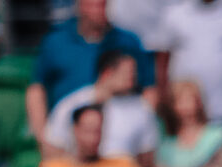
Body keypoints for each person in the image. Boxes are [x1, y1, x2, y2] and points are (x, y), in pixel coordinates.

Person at [29, 0, 156, 141]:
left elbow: (149, 89)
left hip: (119, 141)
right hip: (68, 140)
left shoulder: (128, 42)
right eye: (93, 5)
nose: (99, 10)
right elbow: (36, 90)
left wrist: (142, 132)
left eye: (103, 4)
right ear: (79, 5)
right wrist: (43, 138)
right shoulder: (55, 41)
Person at [153, 78, 222, 167]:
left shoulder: (218, 134)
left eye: (189, 99)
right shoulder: (166, 147)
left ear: (199, 101)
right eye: (180, 100)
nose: (186, 105)